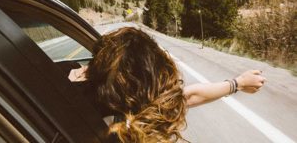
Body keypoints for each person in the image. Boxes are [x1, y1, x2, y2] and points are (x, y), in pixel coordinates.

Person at [62, 27, 266, 143]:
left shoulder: (57, 79)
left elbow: (187, 96)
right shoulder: (127, 111)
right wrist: (237, 84)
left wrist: (237, 83)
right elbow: (187, 97)